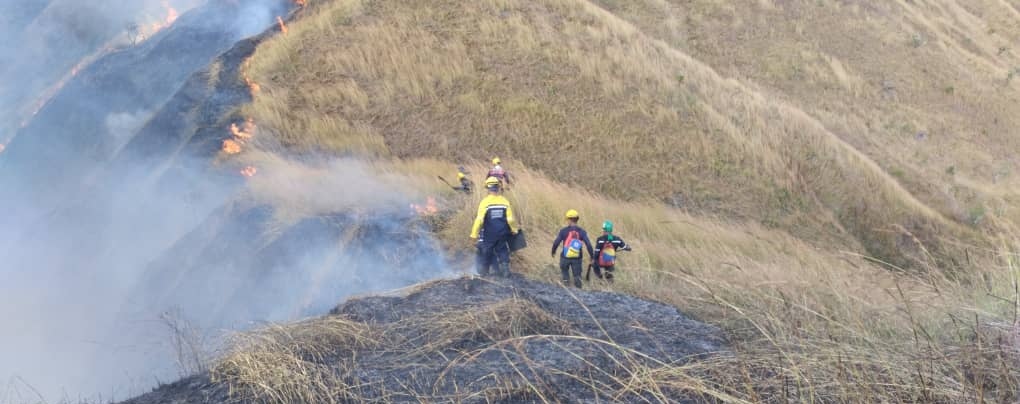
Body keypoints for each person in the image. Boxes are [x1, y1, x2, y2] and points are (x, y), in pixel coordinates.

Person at [470, 176, 518, 277]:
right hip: (503, 232)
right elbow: (510, 219)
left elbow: (479, 220)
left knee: (487, 251)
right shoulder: (505, 201)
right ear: (498, 187)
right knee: (502, 250)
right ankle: (505, 270)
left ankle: (485, 272)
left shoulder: (485, 202)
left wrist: (474, 234)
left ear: (487, 188)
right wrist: (514, 229)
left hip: (489, 234)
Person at [550, 209, 594, 288]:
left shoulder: (563, 231)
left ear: (569, 219)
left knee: (565, 272)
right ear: (577, 219)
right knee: (577, 276)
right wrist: (592, 256)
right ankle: (578, 293)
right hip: (577, 258)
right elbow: (588, 244)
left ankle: (567, 289)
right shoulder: (582, 232)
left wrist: (553, 252)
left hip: (565, 257)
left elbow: (556, 242)